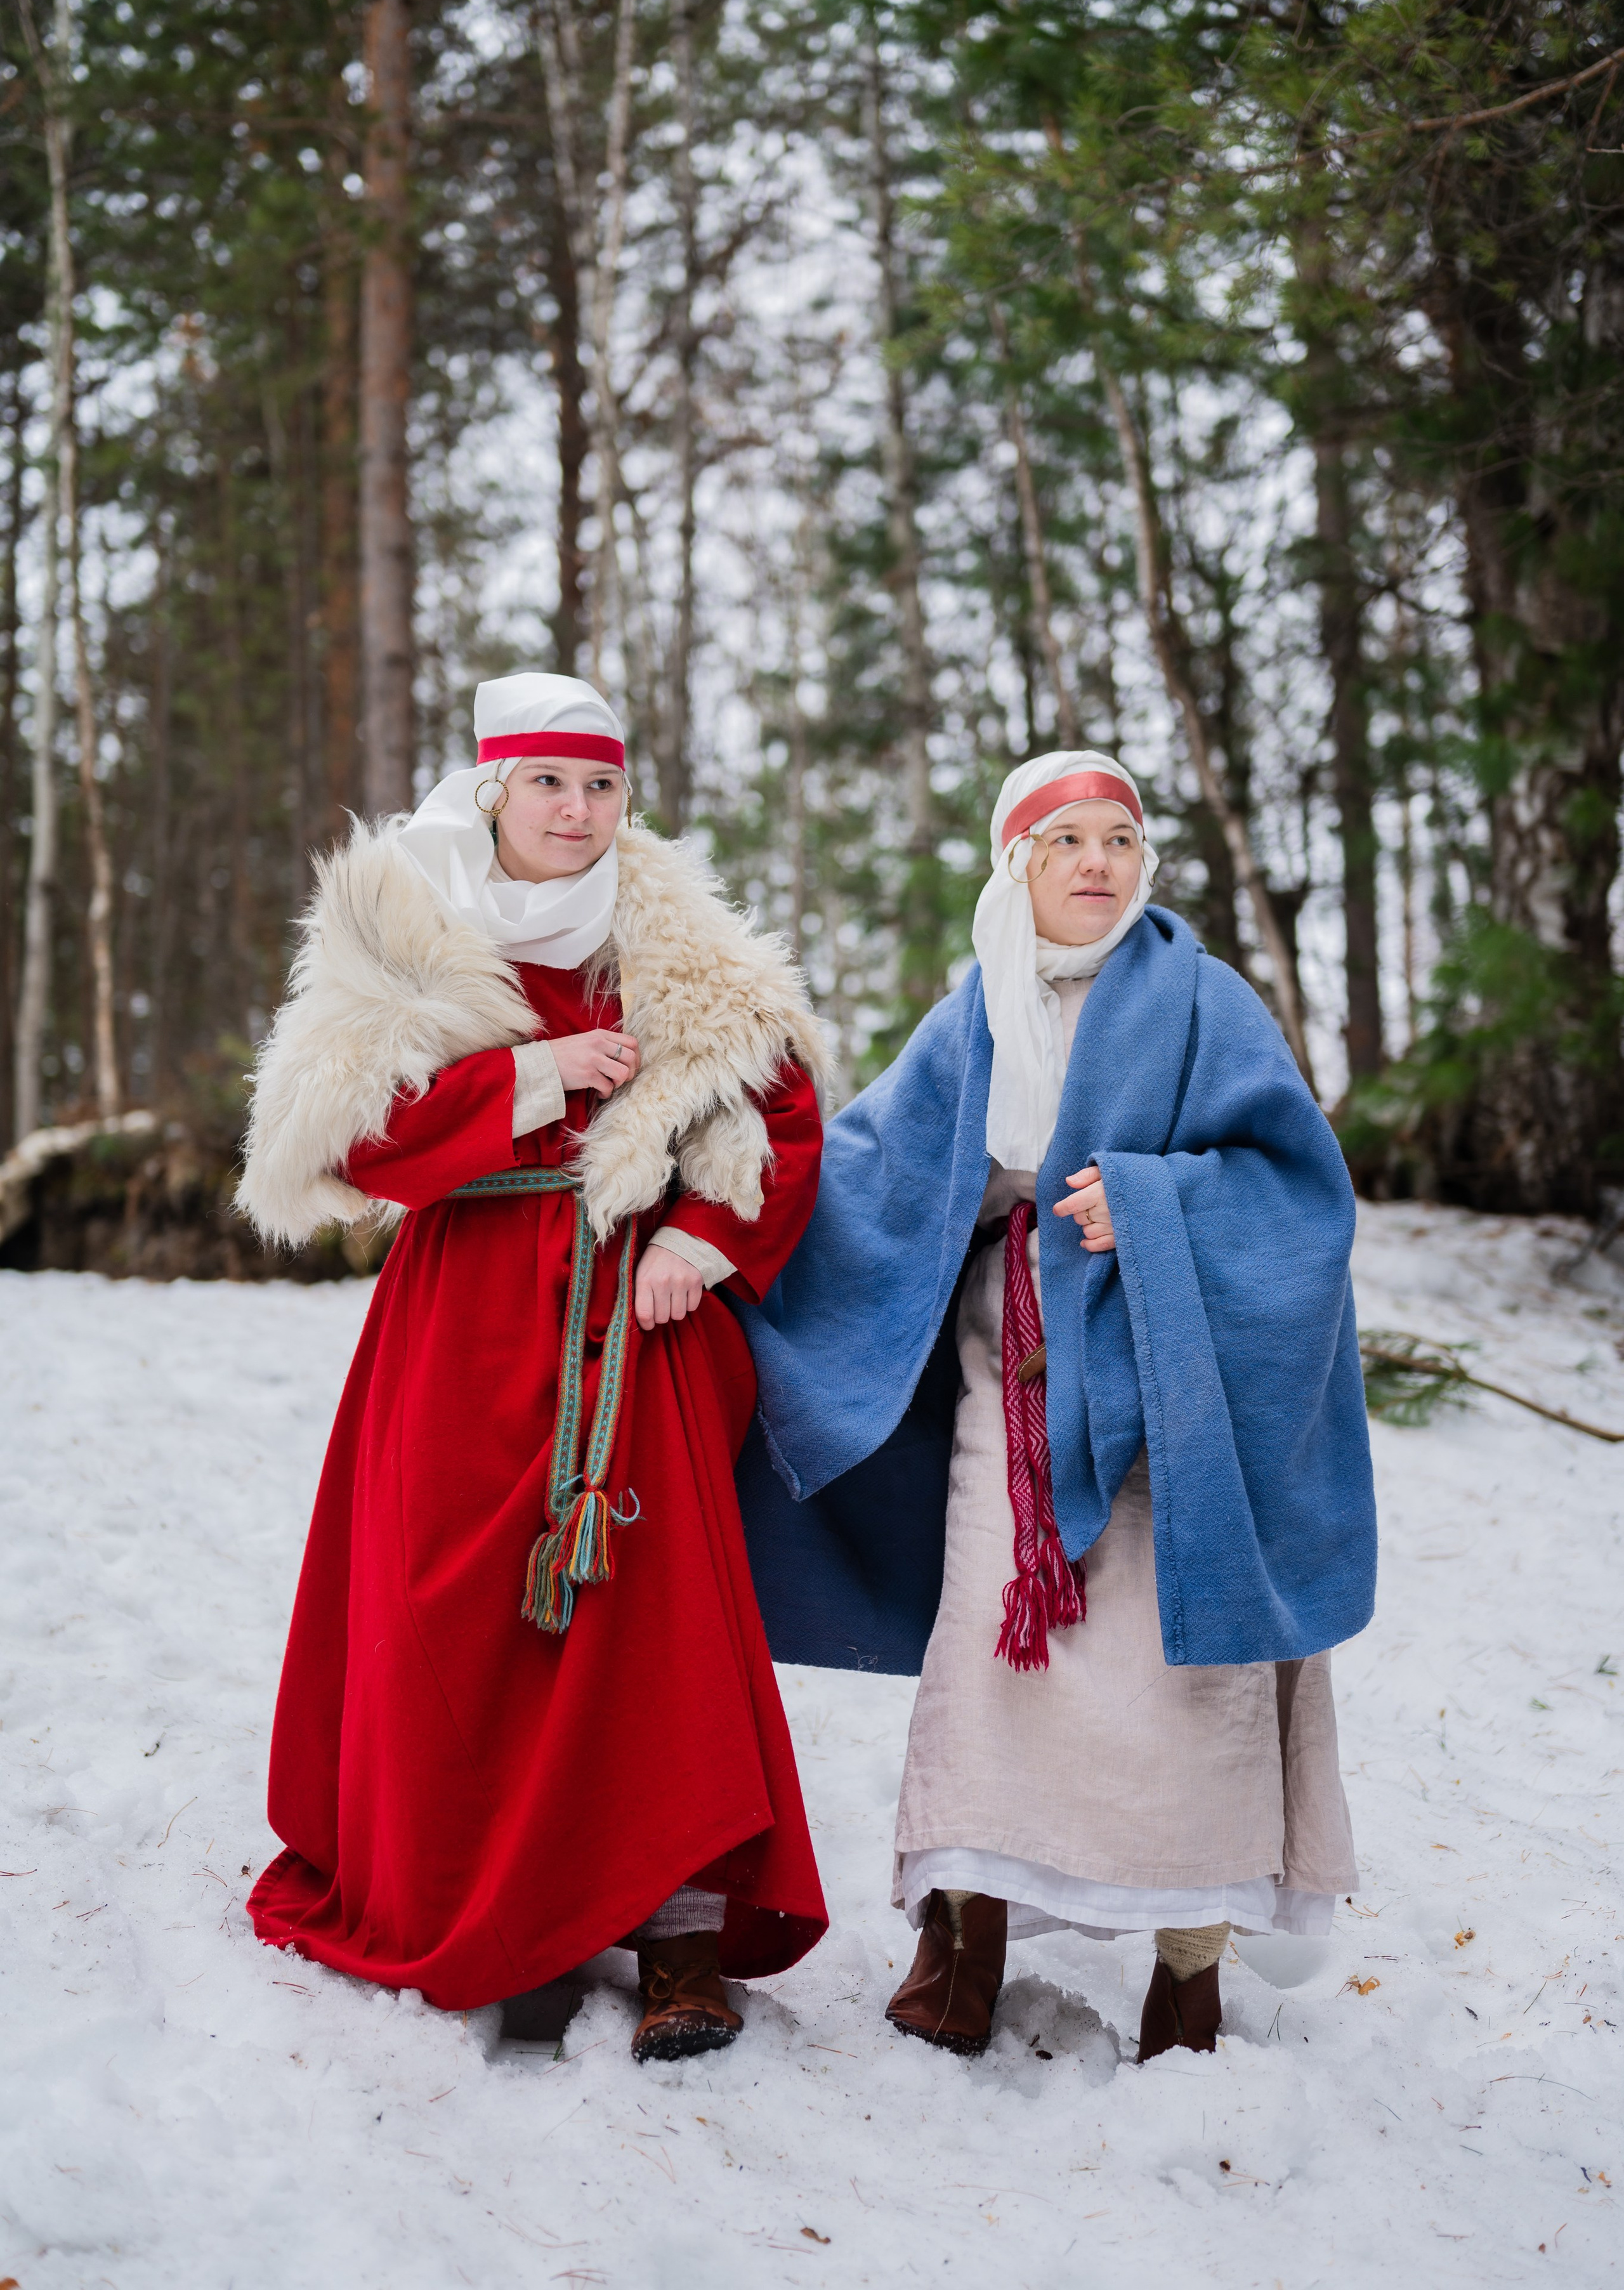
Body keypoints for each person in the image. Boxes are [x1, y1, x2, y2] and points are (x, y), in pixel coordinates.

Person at [735, 750, 1374, 2062]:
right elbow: (864, 1180)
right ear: (1012, 865)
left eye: (1118, 840)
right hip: (1006, 1395)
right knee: (991, 1655)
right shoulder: (973, 1013)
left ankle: (1186, 1970)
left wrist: (1150, 1200)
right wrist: (716, 1209)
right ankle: (962, 1935)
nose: (1095, 862)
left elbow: (1296, 1191)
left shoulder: (1204, 1001)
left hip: (1170, 1401)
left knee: (1177, 1679)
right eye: (1063, 840)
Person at [238, 672, 830, 2062]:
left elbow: (781, 1107)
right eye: (547, 784)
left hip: (641, 1319)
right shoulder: (404, 930)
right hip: (464, 1320)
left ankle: (679, 1937)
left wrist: (707, 1239)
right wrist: (533, 1073)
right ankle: (496, 1907)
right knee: (453, 1609)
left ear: (629, 800)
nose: (574, 812)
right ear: (495, 789)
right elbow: (351, 1138)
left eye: (601, 786)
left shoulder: (678, 942)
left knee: (655, 1622)